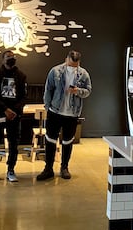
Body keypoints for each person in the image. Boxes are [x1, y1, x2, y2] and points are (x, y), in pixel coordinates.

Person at [37, 50, 92, 180]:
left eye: (75, 65)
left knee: (67, 141)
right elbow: (48, 89)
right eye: (71, 64)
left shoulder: (83, 74)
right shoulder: (55, 71)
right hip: (55, 111)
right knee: (50, 140)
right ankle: (48, 168)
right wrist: (47, 107)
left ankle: (64, 167)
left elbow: (88, 91)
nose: (73, 67)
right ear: (66, 59)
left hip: (72, 113)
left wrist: (77, 91)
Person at [0, 50, 27, 183]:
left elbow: (23, 96)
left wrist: (13, 111)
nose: (11, 59)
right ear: (3, 59)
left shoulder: (21, 76)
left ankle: (11, 170)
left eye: (13, 57)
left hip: (15, 116)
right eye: (8, 57)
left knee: (13, 144)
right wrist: (5, 109)